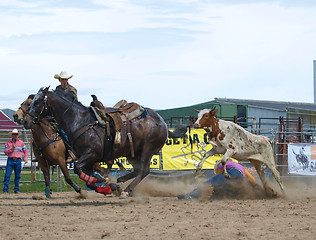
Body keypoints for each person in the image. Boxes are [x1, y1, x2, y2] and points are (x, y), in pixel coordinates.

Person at [178, 160, 256, 200]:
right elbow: (252, 180)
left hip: (232, 173)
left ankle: (190, 195)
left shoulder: (223, 163)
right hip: (241, 180)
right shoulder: (241, 167)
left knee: (210, 183)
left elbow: (218, 176)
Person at [54, 71, 77, 162]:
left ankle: (71, 150)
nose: (64, 81)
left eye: (65, 79)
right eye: (63, 80)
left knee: (64, 132)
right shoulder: (57, 89)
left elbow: (75, 103)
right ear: (59, 80)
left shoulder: (72, 90)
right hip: (58, 114)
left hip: (69, 115)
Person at [3, 129, 29, 194]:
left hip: (18, 160)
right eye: (14, 134)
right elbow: (5, 151)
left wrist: (26, 158)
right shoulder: (8, 143)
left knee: (17, 176)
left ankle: (16, 190)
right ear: (12, 135)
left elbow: (26, 151)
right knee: (7, 175)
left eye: (16, 134)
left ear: (18, 135)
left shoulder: (21, 143)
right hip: (10, 160)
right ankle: (5, 190)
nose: (15, 136)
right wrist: (12, 148)